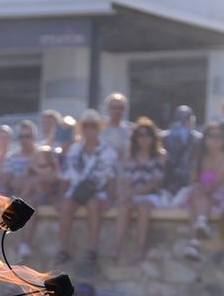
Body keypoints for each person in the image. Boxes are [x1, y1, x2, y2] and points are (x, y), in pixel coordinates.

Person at [58, 110, 116, 266]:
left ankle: (92, 248)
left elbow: (112, 178)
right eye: (86, 126)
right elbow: (65, 176)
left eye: (93, 126)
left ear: (98, 129)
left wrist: (110, 200)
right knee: (65, 207)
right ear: (82, 129)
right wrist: (60, 197)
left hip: (98, 191)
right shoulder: (73, 150)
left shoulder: (108, 152)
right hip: (76, 191)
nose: (90, 129)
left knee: (94, 205)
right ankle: (63, 248)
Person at [115, 121, 165, 260]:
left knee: (143, 207)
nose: (144, 138)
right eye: (140, 134)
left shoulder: (160, 156)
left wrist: (134, 193)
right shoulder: (129, 157)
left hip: (152, 195)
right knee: (124, 207)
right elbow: (125, 180)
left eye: (148, 135)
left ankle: (140, 246)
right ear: (135, 138)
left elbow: (155, 182)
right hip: (133, 194)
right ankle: (117, 246)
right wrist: (127, 193)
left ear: (153, 138)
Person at [185, 123, 224, 256]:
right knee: (195, 201)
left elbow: (217, 183)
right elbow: (193, 179)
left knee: (198, 201)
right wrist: (198, 188)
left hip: (220, 194)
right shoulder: (200, 158)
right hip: (201, 194)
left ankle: (194, 241)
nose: (215, 139)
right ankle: (200, 227)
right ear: (205, 139)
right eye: (212, 136)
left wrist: (202, 190)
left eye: (219, 136)